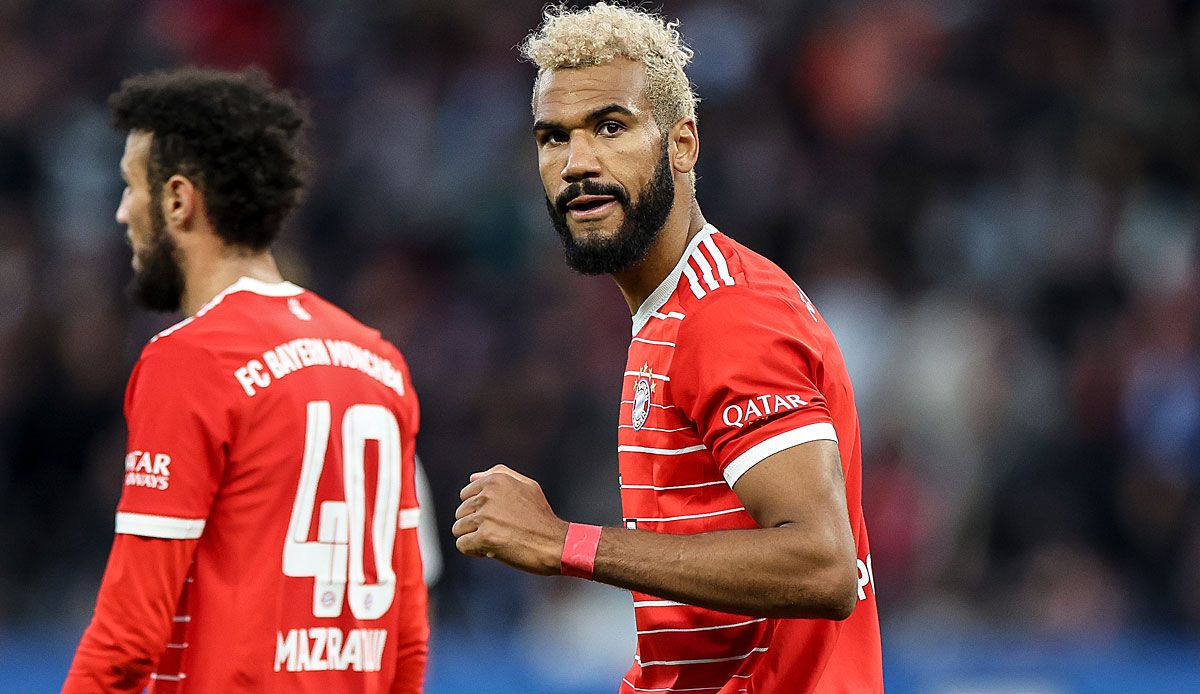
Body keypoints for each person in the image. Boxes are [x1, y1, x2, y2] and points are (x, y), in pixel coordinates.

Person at [452, 4, 882, 692]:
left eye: (610, 127)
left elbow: (823, 565)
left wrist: (564, 542)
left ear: (682, 144)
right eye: (554, 137)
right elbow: (701, 634)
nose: (577, 163)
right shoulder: (671, 311)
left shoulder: (727, 316)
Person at [63, 67, 428, 693]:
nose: (122, 213)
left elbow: (127, 637)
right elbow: (408, 637)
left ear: (178, 200)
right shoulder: (378, 361)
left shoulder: (192, 359)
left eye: (130, 186)